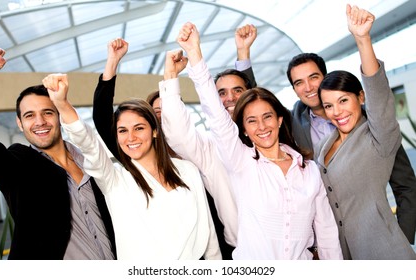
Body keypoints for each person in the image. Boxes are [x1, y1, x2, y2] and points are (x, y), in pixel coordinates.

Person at [173, 22, 342, 260]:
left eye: (267, 117)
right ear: (243, 127)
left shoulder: (310, 170)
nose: (262, 127)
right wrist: (194, 54)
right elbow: (217, 117)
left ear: (280, 120)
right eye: (252, 121)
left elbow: (326, 232)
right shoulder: (242, 162)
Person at [42, 73, 221, 260]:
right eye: (122, 131)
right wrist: (62, 105)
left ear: (154, 131)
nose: (131, 138)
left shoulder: (187, 170)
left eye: (139, 128)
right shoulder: (115, 180)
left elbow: (209, 235)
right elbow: (89, 145)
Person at [92, 38, 233, 259]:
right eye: (156, 110)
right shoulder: (131, 157)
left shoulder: (189, 157)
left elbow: (207, 228)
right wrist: (112, 63)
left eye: (167, 108)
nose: (162, 114)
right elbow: (102, 119)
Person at [0, 44, 116, 260]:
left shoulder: (90, 160)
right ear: (19, 123)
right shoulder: (18, 166)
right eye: (29, 116)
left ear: (58, 117)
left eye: (47, 112)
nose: (40, 122)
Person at [313, 5, 416, 260]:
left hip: (385, 252)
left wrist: (362, 39)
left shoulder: (379, 136)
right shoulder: (324, 146)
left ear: (360, 97)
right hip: (344, 256)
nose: (337, 111)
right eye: (328, 106)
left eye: (343, 100)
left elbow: (378, 92)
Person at [160, 24, 257, 259]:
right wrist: (171, 77)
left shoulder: (272, 136)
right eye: (221, 93)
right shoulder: (210, 148)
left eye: (237, 90)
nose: (230, 97)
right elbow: (178, 134)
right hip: (242, 251)